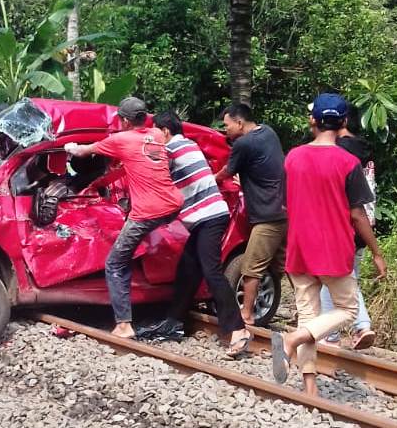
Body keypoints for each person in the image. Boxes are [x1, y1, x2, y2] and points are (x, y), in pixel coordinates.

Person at [271, 93, 386, 396]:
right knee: (348, 311)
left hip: (298, 247)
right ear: (344, 122)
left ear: (313, 120)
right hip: (333, 249)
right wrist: (376, 252)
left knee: (309, 314)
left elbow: (285, 204)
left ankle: (310, 389)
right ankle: (292, 340)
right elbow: (359, 215)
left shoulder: (292, 157)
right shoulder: (349, 162)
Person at [64, 97, 184, 338]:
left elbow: (82, 152)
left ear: (126, 121)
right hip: (173, 203)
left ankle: (124, 325)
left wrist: (68, 147)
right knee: (131, 246)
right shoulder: (157, 136)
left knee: (115, 263)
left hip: (148, 211)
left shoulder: (121, 139)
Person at [153, 110, 251, 357]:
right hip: (203, 217)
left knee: (211, 272)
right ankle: (174, 323)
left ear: (165, 131)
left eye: (155, 132)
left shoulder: (173, 148)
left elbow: (149, 162)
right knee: (187, 270)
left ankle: (238, 329)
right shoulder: (189, 144)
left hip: (208, 217)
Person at [215, 104, 286, 326]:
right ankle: (312, 313)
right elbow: (261, 167)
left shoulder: (244, 143)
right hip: (283, 210)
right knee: (287, 265)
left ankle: (246, 314)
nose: (225, 130)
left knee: (251, 268)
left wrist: (208, 180)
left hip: (267, 217)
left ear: (239, 122)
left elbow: (227, 171)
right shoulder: (268, 132)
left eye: (227, 125)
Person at [318, 104, 376, 349]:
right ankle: (331, 335)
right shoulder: (366, 149)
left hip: (342, 225)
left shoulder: (339, 152)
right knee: (345, 278)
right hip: (365, 223)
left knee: (334, 280)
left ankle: (360, 324)